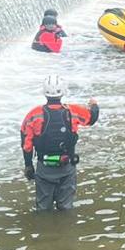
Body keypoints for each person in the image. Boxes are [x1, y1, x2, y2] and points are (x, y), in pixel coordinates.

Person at [20, 75, 100, 211]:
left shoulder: (33, 115)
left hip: (44, 168)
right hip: (67, 166)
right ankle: (65, 229)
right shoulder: (73, 111)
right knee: (66, 207)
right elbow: (91, 118)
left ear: (44, 93)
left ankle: (43, 229)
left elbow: (27, 144)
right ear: (63, 92)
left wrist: (28, 166)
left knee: (43, 208)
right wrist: (94, 105)